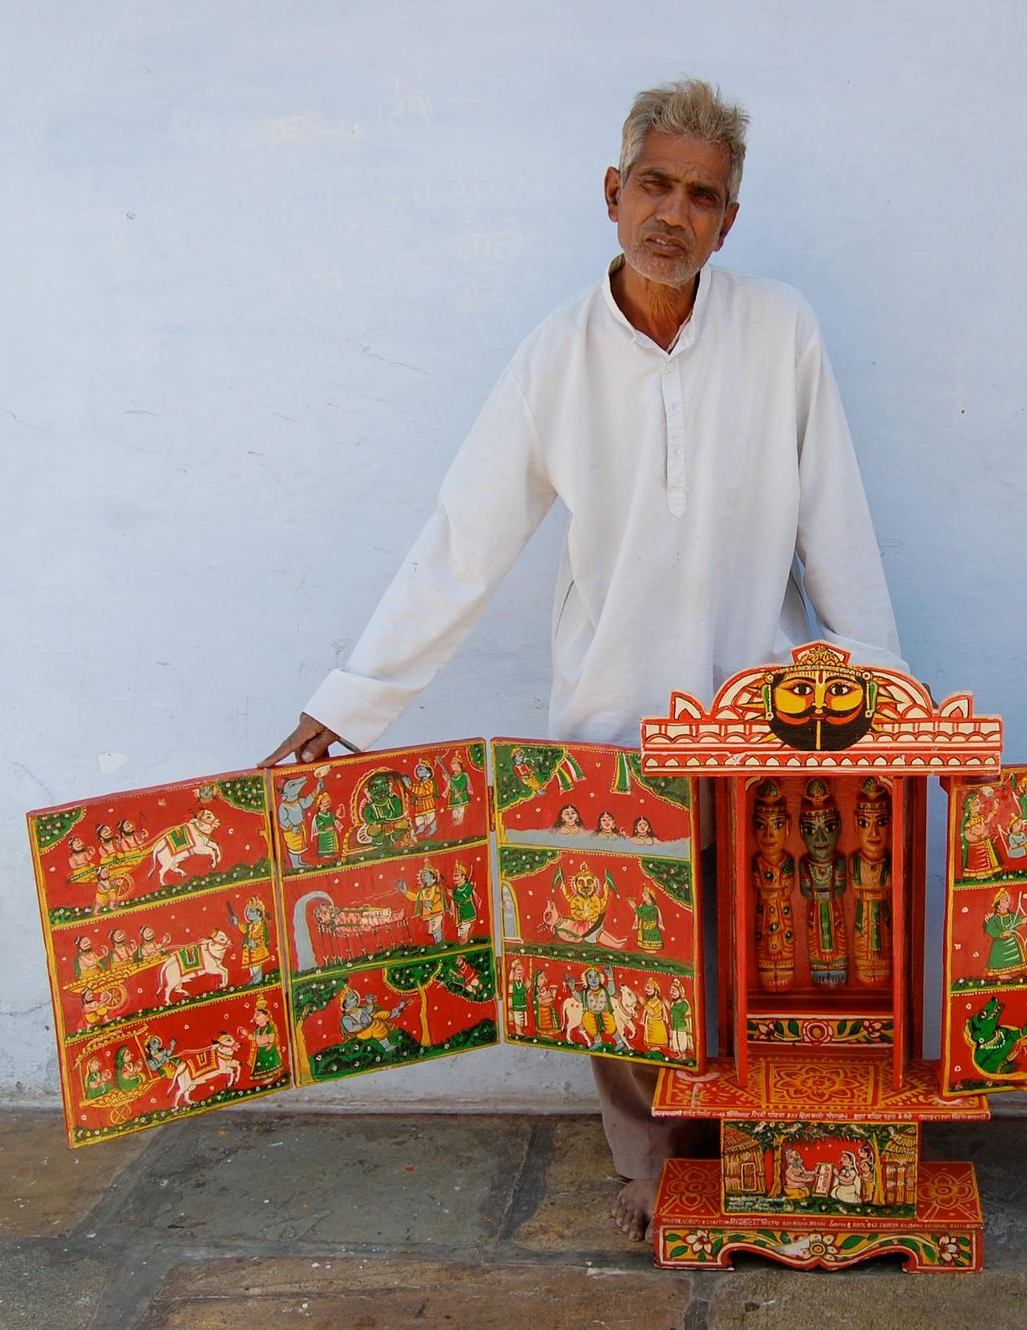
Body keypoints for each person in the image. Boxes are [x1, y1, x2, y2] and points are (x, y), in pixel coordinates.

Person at [263, 80, 902, 1243]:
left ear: (728, 222)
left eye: (700, 196)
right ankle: (654, 1176)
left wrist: (882, 697)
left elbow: (835, 523)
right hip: (611, 716)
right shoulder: (552, 358)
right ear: (612, 195)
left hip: (759, 715)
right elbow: (464, 538)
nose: (673, 212)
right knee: (623, 978)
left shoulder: (780, 331)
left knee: (765, 954)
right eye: (653, 185)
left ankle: (750, 1162)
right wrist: (352, 704)